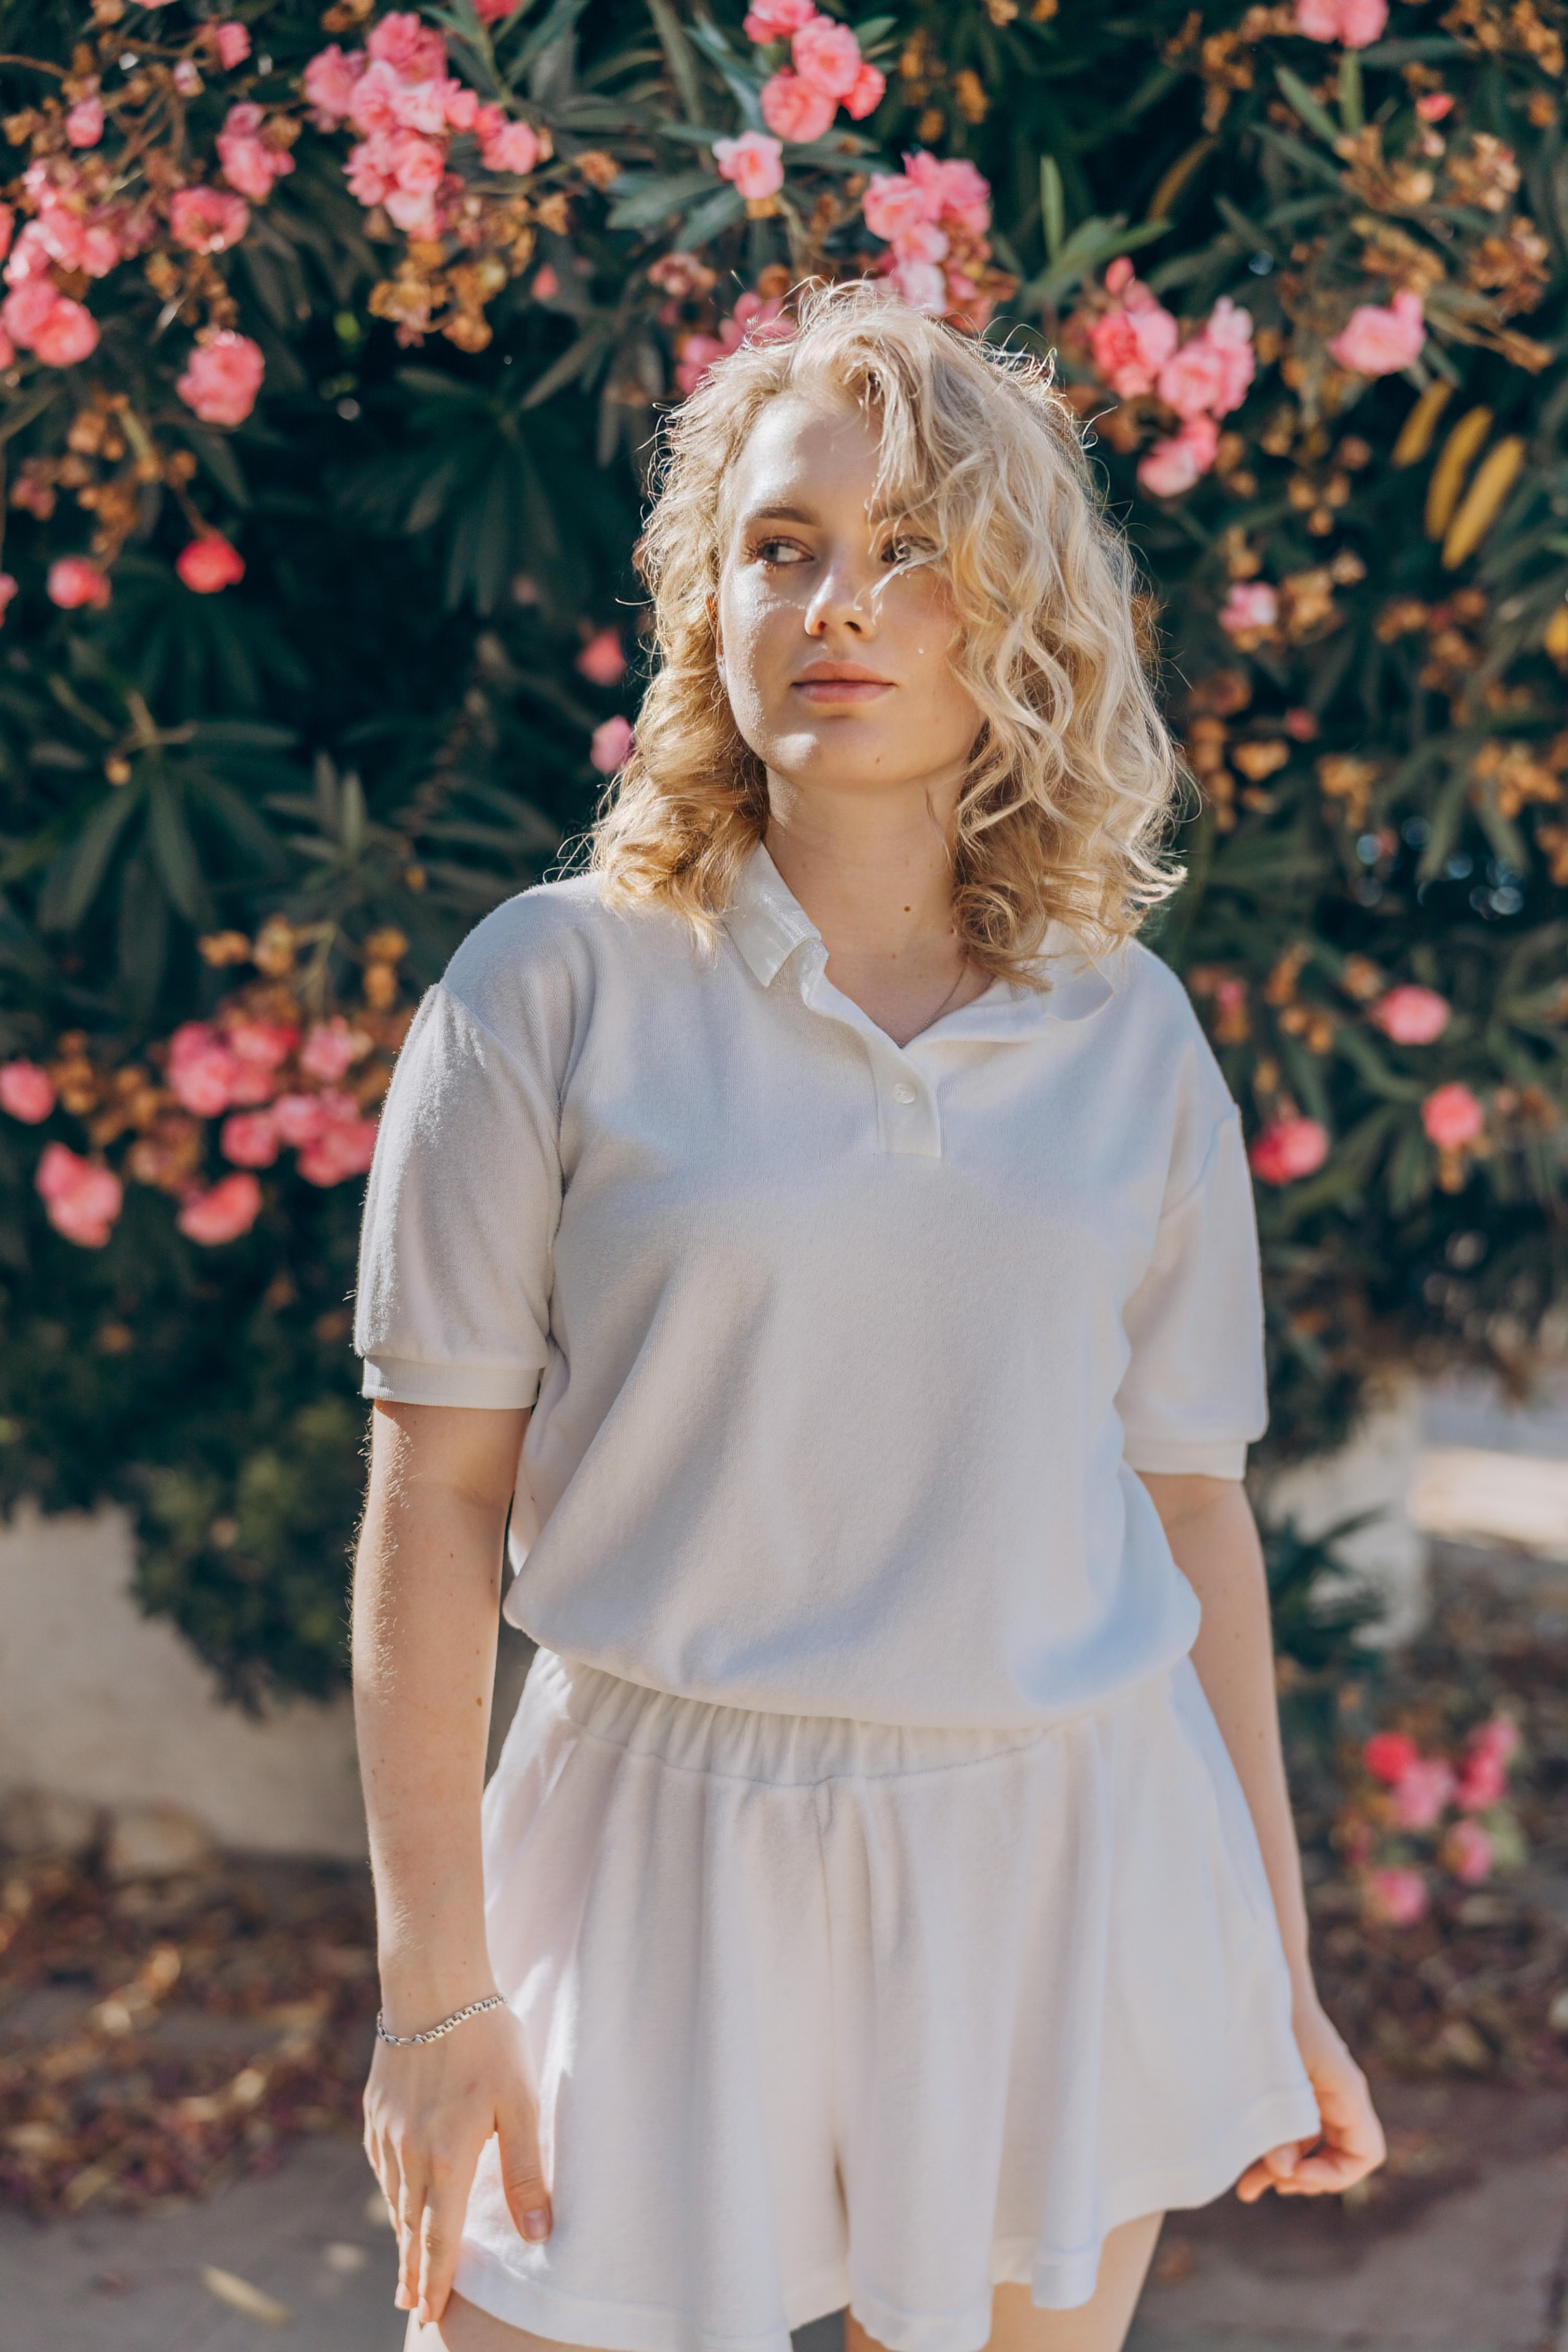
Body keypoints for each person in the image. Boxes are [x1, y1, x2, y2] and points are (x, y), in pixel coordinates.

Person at [352, 281, 1385, 2352]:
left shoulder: (1130, 1030)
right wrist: (432, 1992)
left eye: (913, 548)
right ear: (707, 608)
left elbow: (1192, 1522)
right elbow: (436, 1500)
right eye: (782, 546)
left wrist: (1278, 1972)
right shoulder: (548, 988)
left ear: (1015, 621)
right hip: (646, 1855)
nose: (841, 601)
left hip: (1055, 1854)